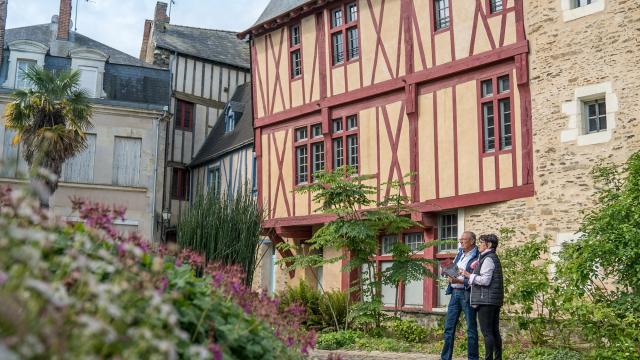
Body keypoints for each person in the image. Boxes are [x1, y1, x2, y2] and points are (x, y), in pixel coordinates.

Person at [461, 234, 504, 360]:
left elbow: (485, 281)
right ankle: (497, 358)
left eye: (481, 243)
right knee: (494, 332)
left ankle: (489, 358)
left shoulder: (488, 259)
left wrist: (468, 275)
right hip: (492, 300)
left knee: (487, 333)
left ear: (488, 245)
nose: (479, 245)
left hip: (486, 301)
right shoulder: (489, 257)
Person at [440, 231, 479, 360]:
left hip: (467, 294)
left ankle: (473, 358)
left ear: (472, 241)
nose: (461, 241)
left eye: (464, 239)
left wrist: (459, 281)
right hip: (454, 294)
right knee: (448, 328)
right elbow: (455, 271)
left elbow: (476, 279)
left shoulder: (478, 257)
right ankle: (445, 358)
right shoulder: (459, 254)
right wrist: (447, 271)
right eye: (460, 239)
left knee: (471, 330)